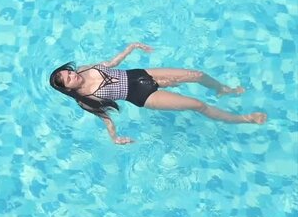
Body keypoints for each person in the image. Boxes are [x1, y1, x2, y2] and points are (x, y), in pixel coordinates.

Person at [49, 43, 267, 144]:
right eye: (68, 79)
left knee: (197, 74)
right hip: (142, 96)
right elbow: (105, 117)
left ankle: (222, 89)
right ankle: (244, 120)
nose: (72, 75)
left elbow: (110, 63)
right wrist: (114, 137)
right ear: (67, 88)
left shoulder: (86, 68)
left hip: (140, 74)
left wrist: (130, 48)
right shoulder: (85, 100)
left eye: (68, 72)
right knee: (196, 105)